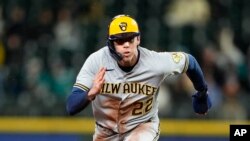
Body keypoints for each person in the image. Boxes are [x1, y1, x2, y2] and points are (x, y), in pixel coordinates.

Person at [66, 14, 212, 141]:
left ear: (138, 39)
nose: (126, 45)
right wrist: (90, 94)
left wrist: (202, 92)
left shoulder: (155, 62)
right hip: (105, 132)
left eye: (130, 39)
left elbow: (189, 62)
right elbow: (71, 106)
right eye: (120, 41)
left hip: (143, 126)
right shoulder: (96, 61)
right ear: (111, 44)